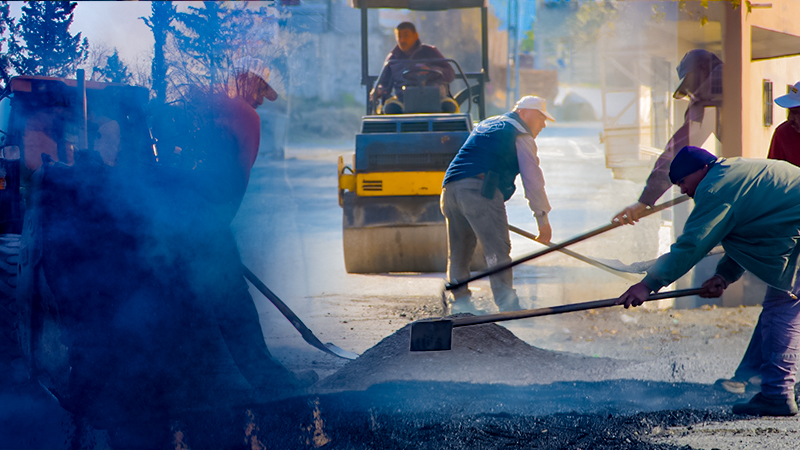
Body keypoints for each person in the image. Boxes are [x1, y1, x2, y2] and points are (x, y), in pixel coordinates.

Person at [616, 145, 800, 417]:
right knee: (781, 305)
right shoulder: (733, 174)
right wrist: (724, 277)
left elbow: (692, 245)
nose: (683, 190)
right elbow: (753, 234)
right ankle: (772, 388)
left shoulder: (715, 189)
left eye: (683, 182)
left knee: (782, 307)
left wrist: (648, 285)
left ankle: (777, 394)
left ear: (702, 169)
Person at [713, 80, 800, 395]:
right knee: (780, 302)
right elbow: (774, 178)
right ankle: (753, 375)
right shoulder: (784, 134)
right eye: (790, 110)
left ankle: (767, 381)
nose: (791, 118)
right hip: (791, 227)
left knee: (783, 304)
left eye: (797, 111)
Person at [440, 95, 554, 314]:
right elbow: (533, 180)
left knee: (459, 252)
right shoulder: (521, 134)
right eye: (540, 118)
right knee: (497, 250)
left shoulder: (488, 123)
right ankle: (508, 306)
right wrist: (542, 218)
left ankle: (461, 304)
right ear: (523, 113)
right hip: (479, 190)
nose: (543, 124)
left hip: (450, 190)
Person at [613, 49, 723, 224]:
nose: (692, 92)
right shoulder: (730, 80)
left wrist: (645, 200)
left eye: (690, 84)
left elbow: (677, 153)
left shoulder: (707, 94)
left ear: (702, 70)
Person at [370, 22, 456, 114]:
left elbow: (450, 74)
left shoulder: (430, 52)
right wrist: (379, 90)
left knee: (449, 107)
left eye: (406, 36)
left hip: (436, 98)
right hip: (403, 101)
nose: (402, 40)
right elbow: (384, 83)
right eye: (399, 36)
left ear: (415, 36)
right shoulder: (392, 59)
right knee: (391, 109)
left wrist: (431, 69)